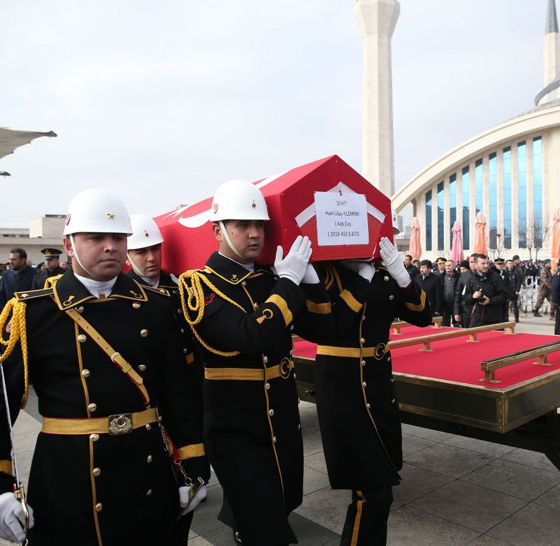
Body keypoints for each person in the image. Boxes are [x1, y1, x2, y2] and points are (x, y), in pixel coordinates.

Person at [0, 189, 209, 545]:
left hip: (148, 477)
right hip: (70, 482)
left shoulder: (157, 307)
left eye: (118, 238)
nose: (110, 247)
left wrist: (193, 465)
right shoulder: (32, 313)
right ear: (68, 245)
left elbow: (178, 395)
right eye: (96, 237)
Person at [178, 179, 330, 545]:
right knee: (267, 526)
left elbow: (323, 329)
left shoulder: (269, 278)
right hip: (235, 428)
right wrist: (289, 282)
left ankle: (243, 522)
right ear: (217, 230)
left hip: (281, 420)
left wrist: (309, 280)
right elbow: (251, 335)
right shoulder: (199, 286)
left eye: (260, 225)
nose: (254, 233)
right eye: (242, 225)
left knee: (282, 501)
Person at [313, 237, 432, 545]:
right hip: (342, 387)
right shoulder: (324, 272)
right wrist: (362, 279)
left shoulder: (384, 273)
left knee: (374, 489)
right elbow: (331, 325)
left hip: (379, 386)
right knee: (374, 492)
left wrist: (402, 275)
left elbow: (423, 316)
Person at [126, 213, 204, 545]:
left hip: (190, 388)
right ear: (128, 255)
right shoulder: (124, 295)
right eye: (141, 251)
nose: (150, 257)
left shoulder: (180, 287)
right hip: (149, 396)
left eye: (155, 249)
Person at [464, 254, 508, 327]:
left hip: (494, 319)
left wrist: (490, 301)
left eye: (487, 263)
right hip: (476, 319)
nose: (486, 266)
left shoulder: (495, 277)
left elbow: (505, 296)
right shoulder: (471, 279)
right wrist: (472, 296)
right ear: (475, 265)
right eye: (483, 263)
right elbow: (465, 297)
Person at [439, 259, 459, 326]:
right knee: (444, 324)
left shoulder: (459, 276)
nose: (447, 267)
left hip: (456, 304)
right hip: (444, 304)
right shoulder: (440, 276)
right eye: (446, 265)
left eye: (449, 265)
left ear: (454, 266)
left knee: (457, 324)